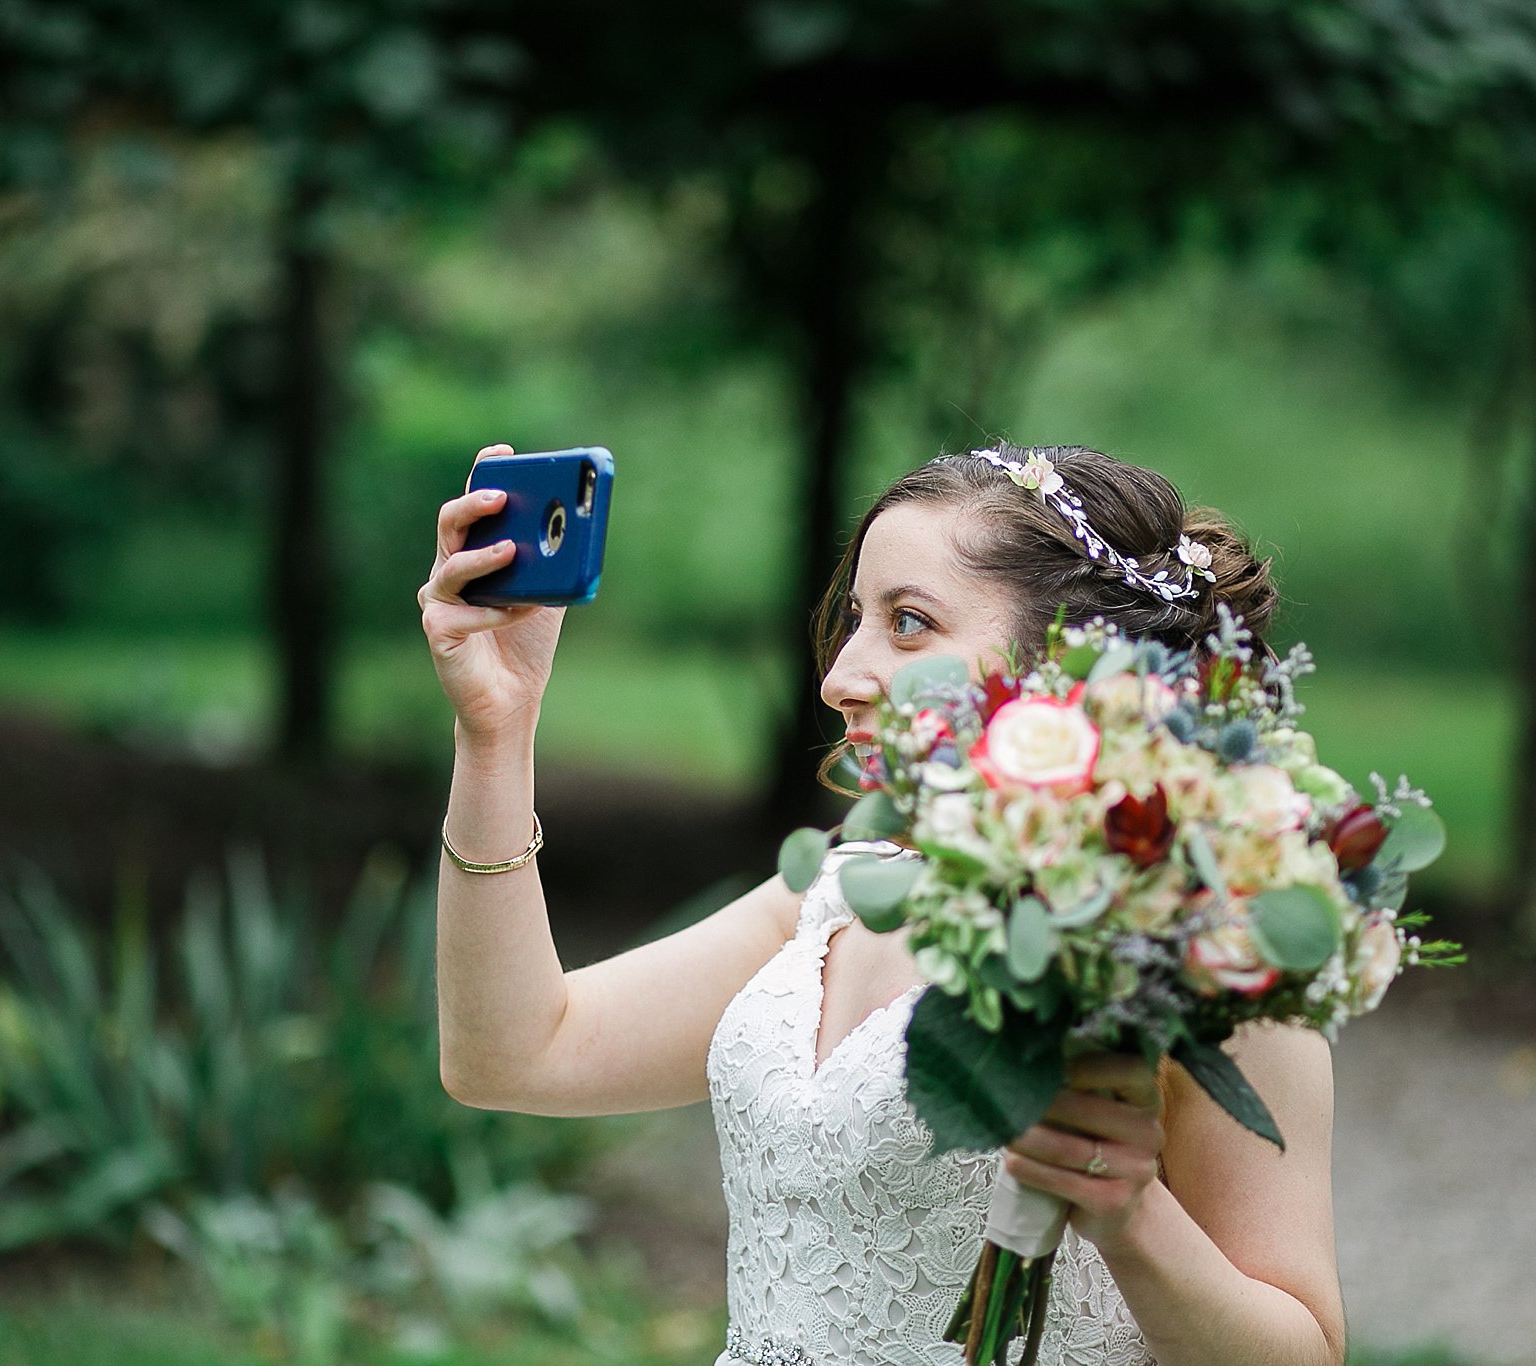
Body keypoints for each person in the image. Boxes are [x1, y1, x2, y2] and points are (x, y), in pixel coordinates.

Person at [419, 442, 1345, 1366]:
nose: (840, 676)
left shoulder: (1191, 944)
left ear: (1075, 663)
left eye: (907, 623)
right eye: (857, 616)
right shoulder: (833, 897)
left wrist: (1128, 1210)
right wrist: (497, 733)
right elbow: (514, 1055)